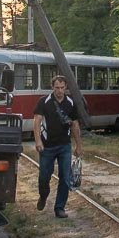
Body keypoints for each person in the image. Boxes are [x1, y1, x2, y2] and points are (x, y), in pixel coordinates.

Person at [33, 75, 83, 218]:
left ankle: (59, 208)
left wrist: (78, 145)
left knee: (65, 177)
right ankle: (43, 196)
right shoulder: (44, 102)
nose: (60, 91)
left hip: (64, 146)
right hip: (47, 146)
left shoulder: (70, 103)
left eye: (62, 88)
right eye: (57, 88)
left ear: (66, 87)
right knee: (44, 176)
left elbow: (74, 125)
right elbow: (37, 121)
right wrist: (38, 141)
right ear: (52, 87)